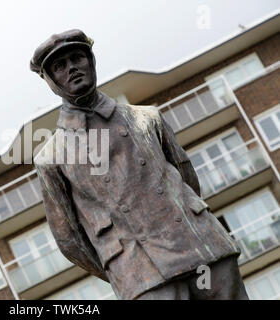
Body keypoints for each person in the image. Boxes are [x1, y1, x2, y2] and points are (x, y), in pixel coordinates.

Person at [30, 29, 248, 299]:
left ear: (91, 61)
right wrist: (119, 266)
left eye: (77, 58)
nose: (71, 68)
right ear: (50, 80)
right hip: (142, 274)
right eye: (59, 66)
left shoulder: (147, 117)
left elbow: (186, 178)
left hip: (203, 249)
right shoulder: (51, 157)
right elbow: (69, 240)